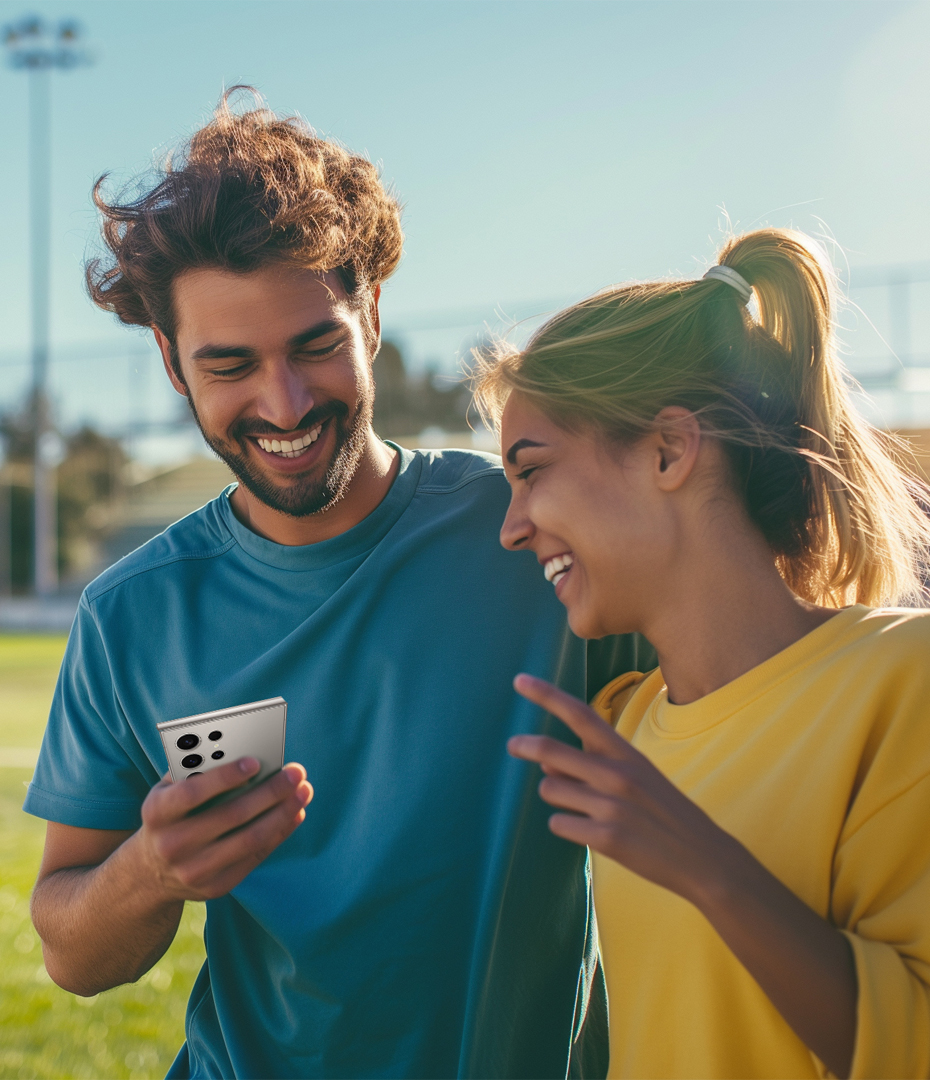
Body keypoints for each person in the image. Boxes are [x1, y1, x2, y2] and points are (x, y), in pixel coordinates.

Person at [24, 91, 651, 1080]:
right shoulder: (131, 615)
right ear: (171, 362)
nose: (284, 402)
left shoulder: (533, 533)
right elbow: (72, 952)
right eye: (229, 364)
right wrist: (151, 871)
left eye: (315, 345)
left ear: (370, 314)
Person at [474, 228, 930, 1079]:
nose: (511, 525)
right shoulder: (624, 728)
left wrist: (706, 866)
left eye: (532, 470)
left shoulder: (920, 676)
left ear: (670, 450)